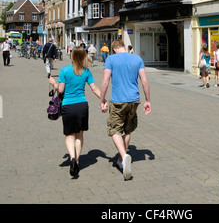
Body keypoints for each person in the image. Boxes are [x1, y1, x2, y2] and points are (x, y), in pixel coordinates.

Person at [100, 39, 151, 181]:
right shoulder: (137, 59)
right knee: (127, 130)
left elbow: (105, 82)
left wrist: (102, 100)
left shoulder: (110, 59)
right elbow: (145, 81)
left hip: (118, 101)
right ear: (124, 47)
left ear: (115, 48)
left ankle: (123, 156)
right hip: (134, 100)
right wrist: (148, 100)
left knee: (115, 129)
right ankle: (122, 159)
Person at [48, 46, 103, 177]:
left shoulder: (64, 70)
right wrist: (103, 100)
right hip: (82, 106)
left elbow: (60, 90)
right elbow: (94, 89)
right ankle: (77, 161)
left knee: (69, 135)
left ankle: (72, 158)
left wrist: (53, 83)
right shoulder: (86, 71)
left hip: (68, 106)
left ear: (72, 56)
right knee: (79, 135)